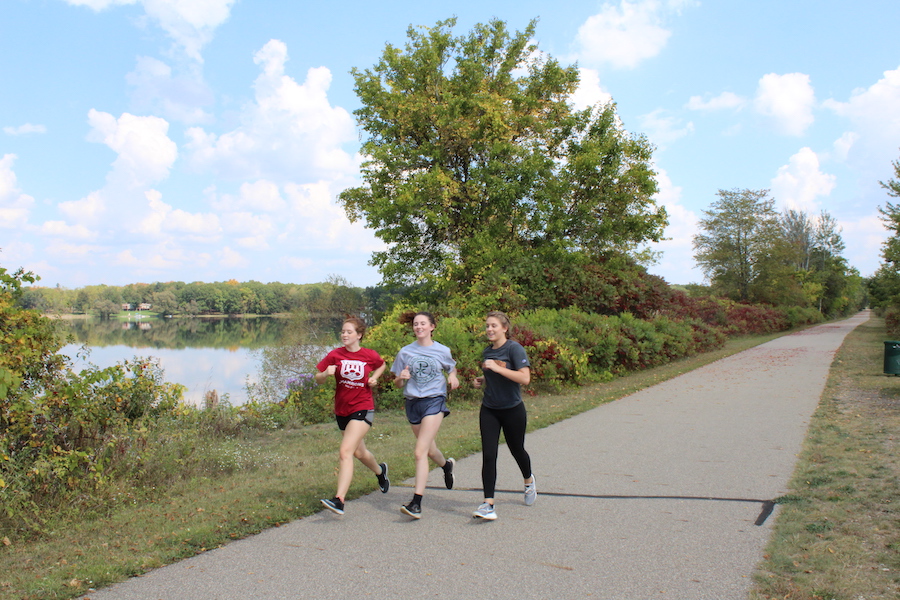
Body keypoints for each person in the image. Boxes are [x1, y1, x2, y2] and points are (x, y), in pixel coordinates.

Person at [316, 317, 390, 515]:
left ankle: (339, 500)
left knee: (345, 452)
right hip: (342, 410)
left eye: (349, 332)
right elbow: (318, 378)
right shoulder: (335, 355)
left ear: (359, 335)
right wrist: (326, 374)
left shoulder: (368, 355)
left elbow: (381, 364)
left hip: (363, 407)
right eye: (342, 332)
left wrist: (374, 377)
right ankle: (380, 472)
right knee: (359, 453)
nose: (344, 335)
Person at [391, 311, 459, 519]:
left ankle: (416, 503)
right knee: (429, 450)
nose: (418, 327)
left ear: (432, 326)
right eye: (415, 324)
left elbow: (451, 368)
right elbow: (397, 382)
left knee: (419, 452)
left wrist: (453, 377)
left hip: (434, 401)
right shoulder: (405, 352)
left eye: (422, 323)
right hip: (413, 403)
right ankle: (446, 465)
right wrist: (400, 378)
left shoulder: (442, 350)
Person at [471, 311, 536, 520]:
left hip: (512, 409)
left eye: (494, 326)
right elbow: (493, 374)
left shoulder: (514, 349)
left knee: (517, 449)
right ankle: (487, 503)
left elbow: (524, 378)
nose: (489, 329)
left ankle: (528, 480)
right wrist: (482, 379)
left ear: (504, 328)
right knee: (489, 454)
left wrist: (497, 370)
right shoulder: (486, 352)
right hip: (489, 408)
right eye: (487, 326)